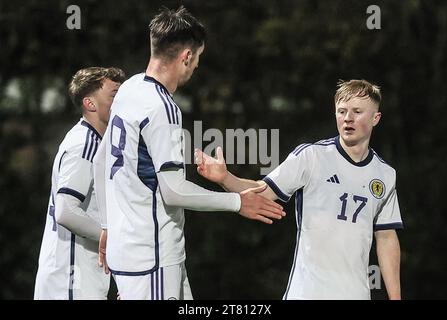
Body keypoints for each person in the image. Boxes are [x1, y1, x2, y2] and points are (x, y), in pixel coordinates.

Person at [93, 6, 284, 300]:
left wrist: (107, 225)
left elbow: (102, 159)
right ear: (186, 57)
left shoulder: (129, 88)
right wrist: (237, 202)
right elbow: (173, 191)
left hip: (136, 251)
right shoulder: (163, 107)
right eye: (198, 58)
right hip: (151, 258)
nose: (196, 66)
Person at [195, 79, 403, 300]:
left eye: (357, 111)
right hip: (307, 293)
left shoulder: (385, 175)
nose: (347, 118)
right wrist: (225, 178)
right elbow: (262, 190)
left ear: (375, 118)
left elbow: (387, 238)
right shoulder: (311, 157)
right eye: (341, 111)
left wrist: (396, 297)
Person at [34, 67, 125, 299]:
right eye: (115, 95)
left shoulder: (97, 142)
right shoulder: (85, 144)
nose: (123, 101)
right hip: (71, 283)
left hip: (79, 280)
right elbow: (65, 212)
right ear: (90, 104)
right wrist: (112, 238)